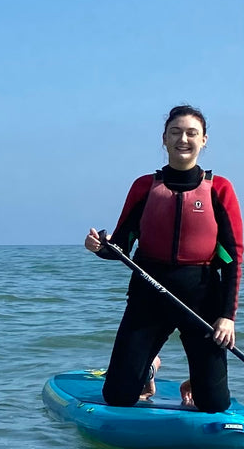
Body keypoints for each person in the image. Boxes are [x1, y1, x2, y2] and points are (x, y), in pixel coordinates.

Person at [86, 105, 241, 413]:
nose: (183, 139)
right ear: (164, 139)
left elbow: (232, 258)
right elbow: (120, 246)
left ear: (204, 140)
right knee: (118, 397)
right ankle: (149, 369)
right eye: (176, 132)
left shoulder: (219, 189)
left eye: (191, 133)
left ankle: (196, 379)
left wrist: (227, 317)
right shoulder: (144, 187)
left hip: (201, 298)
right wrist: (99, 247)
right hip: (148, 294)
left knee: (214, 404)